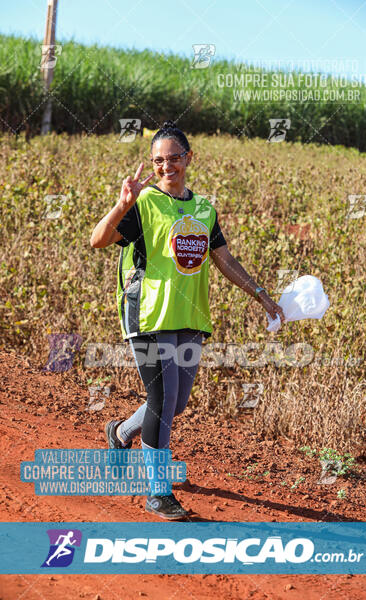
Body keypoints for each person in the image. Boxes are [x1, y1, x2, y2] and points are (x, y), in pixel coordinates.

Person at [90, 121, 285, 520]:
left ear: (188, 159)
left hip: (190, 316)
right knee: (162, 401)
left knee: (175, 404)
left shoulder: (204, 209)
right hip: (147, 313)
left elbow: (225, 259)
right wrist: (122, 203)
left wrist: (261, 294)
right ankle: (158, 493)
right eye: (158, 161)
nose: (166, 167)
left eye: (174, 158)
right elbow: (98, 240)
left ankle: (121, 432)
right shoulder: (142, 204)